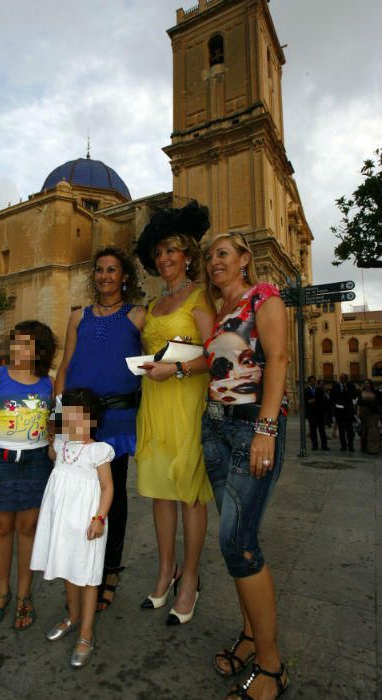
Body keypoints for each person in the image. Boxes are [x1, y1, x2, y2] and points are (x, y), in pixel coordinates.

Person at [201, 232, 288, 700]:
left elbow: (277, 360)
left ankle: (272, 668)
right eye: (209, 255)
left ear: (243, 260)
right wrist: (172, 368)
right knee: (239, 542)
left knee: (237, 542)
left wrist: (265, 430)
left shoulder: (264, 297)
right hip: (213, 427)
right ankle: (253, 635)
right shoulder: (219, 315)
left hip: (249, 428)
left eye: (223, 254)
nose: (214, 261)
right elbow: (214, 366)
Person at [50, 246, 144, 627]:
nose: (105, 276)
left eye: (113, 270)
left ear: (125, 277)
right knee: (74, 488)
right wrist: (56, 415)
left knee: (113, 493)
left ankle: (110, 569)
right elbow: (66, 363)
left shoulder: (139, 315)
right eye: (100, 270)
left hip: (119, 415)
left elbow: (153, 360)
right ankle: (78, 563)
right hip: (77, 414)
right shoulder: (78, 316)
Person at [135, 200, 215, 625]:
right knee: (160, 491)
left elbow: (217, 355)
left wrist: (178, 367)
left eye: (172, 250)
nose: (164, 258)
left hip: (186, 402)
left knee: (189, 493)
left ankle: (191, 578)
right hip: (155, 401)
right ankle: (165, 572)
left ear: (187, 254)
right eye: (159, 253)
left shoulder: (200, 296)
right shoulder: (152, 305)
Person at [0, 320, 57, 630]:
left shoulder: (50, 381)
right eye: (16, 341)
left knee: (28, 527)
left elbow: (55, 422)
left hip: (36, 462)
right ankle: (3, 592)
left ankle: (23, 596)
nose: (20, 348)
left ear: (40, 350)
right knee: (3, 525)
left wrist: (54, 442)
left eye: (28, 343)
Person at [31, 388, 114, 667]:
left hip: (87, 522)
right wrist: (52, 437)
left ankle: (86, 633)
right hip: (62, 519)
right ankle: (73, 616)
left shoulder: (98, 451)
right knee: (68, 568)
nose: (75, 425)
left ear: (93, 421)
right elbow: (55, 457)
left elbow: (107, 488)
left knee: (88, 576)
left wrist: (99, 518)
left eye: (81, 419)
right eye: (69, 419)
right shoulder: (64, 446)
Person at [330, 373, 358, 451]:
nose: (343, 379)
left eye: (344, 378)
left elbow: (354, 396)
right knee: (341, 430)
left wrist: (347, 389)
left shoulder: (351, 386)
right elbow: (332, 397)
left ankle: (351, 446)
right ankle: (343, 446)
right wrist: (335, 405)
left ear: (347, 379)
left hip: (348, 411)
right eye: (341, 378)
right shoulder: (335, 386)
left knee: (350, 430)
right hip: (339, 411)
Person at [304, 375, 329, 451]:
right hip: (311, 414)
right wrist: (310, 401)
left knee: (322, 430)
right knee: (313, 430)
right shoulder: (306, 390)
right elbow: (305, 401)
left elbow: (322, 401)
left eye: (314, 381)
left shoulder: (319, 390)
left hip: (320, 413)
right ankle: (315, 445)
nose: (313, 382)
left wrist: (313, 401)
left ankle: (324, 445)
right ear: (309, 382)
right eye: (311, 381)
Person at [358, 379, 381, 454]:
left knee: (373, 430)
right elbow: (359, 404)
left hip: (374, 413)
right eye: (365, 383)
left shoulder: (376, 393)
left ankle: (373, 449)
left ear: (370, 384)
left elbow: (379, 403)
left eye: (368, 383)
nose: (366, 385)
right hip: (364, 414)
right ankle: (365, 448)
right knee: (365, 430)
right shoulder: (361, 393)